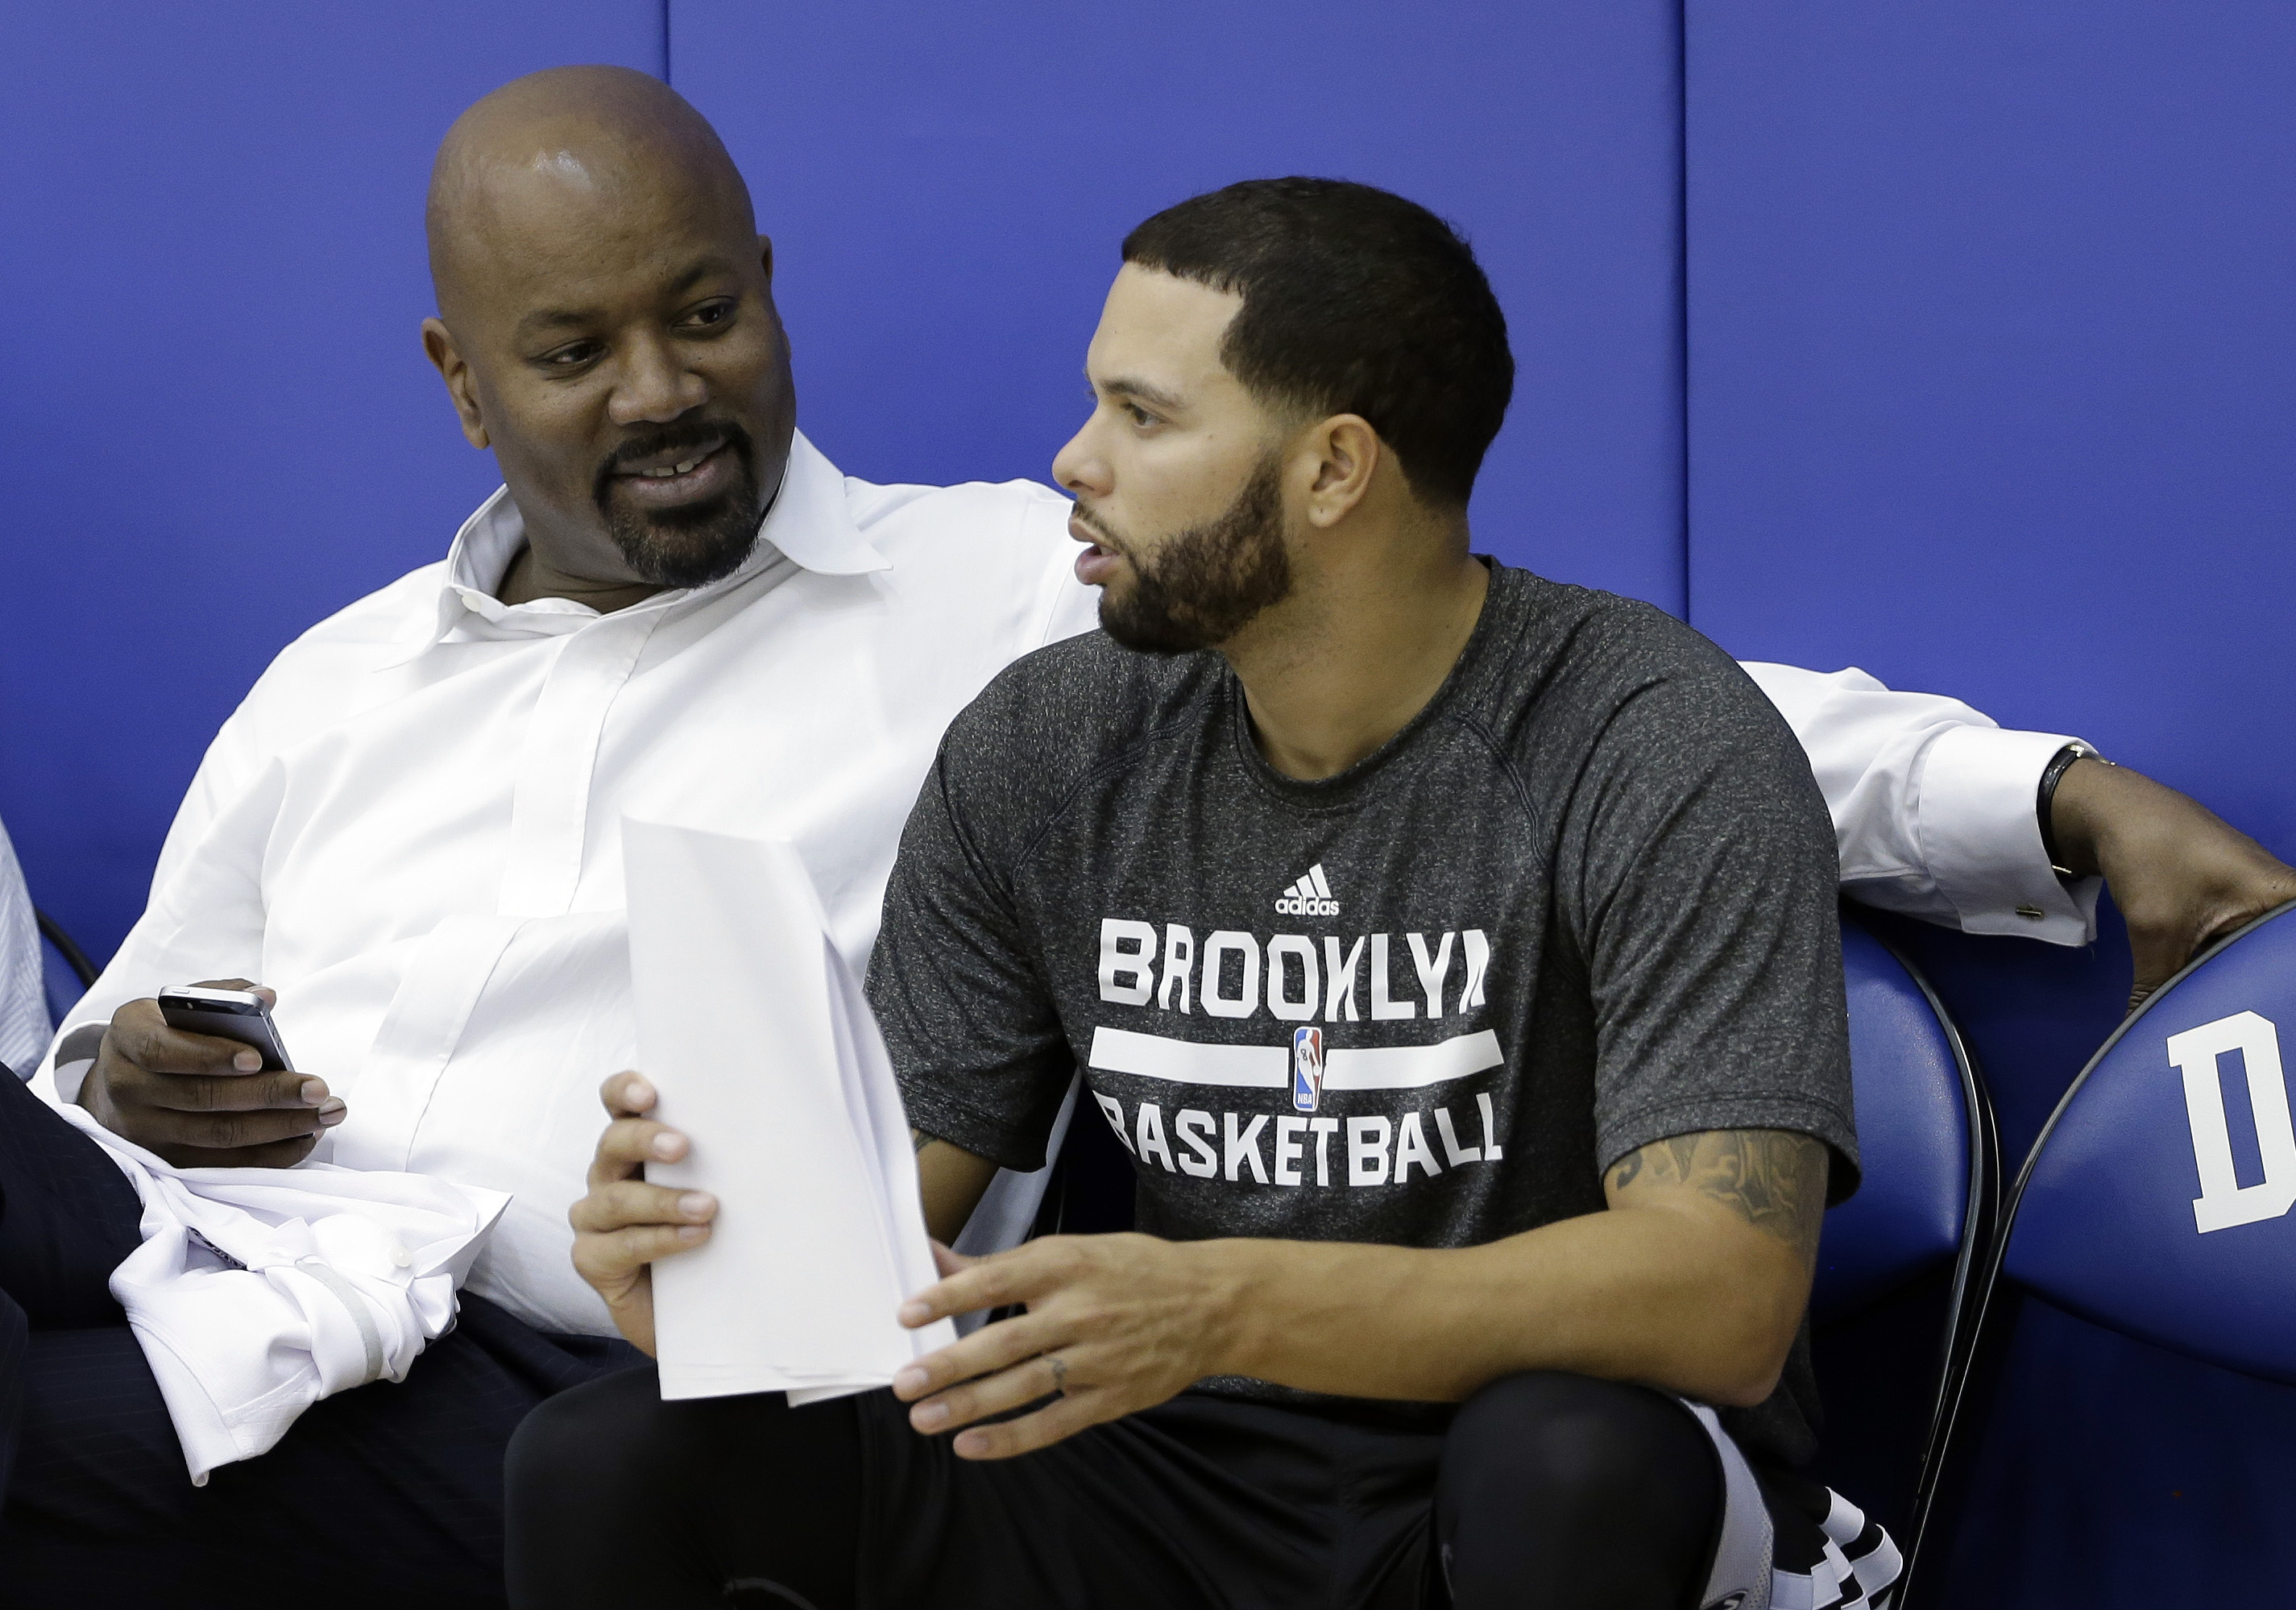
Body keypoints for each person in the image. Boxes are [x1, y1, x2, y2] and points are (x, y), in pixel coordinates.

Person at [12, 68, 2288, 1608]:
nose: (662, 391)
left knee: (1557, 1465)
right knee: (556, 1440)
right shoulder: (366, 688)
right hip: (259, 1301)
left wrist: (2051, 796)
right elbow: (842, 1244)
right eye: (577, 345)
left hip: (1457, 1435)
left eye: (703, 315)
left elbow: (1698, 1214)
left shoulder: (1064, 620)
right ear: (460, 376)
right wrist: (680, 1254)